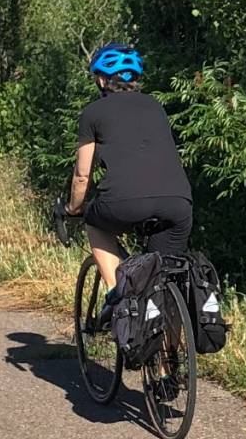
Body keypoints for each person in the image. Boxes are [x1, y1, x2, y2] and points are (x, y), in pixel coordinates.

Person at [64, 44, 192, 304]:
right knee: (164, 280)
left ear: (101, 79)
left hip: (124, 202)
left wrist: (74, 207)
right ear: (134, 79)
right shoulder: (156, 106)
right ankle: (170, 342)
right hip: (178, 202)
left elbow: (81, 175)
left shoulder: (93, 113)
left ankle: (117, 294)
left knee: (94, 222)